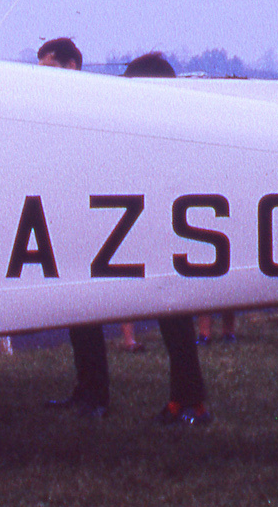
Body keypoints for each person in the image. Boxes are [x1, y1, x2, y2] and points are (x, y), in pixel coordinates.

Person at [38, 41, 211, 425]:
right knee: (81, 306)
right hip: (106, 222)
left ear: (72, 66)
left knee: (173, 315)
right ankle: (91, 392)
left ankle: (190, 401)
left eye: (51, 68)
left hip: (144, 226)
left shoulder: (122, 113)